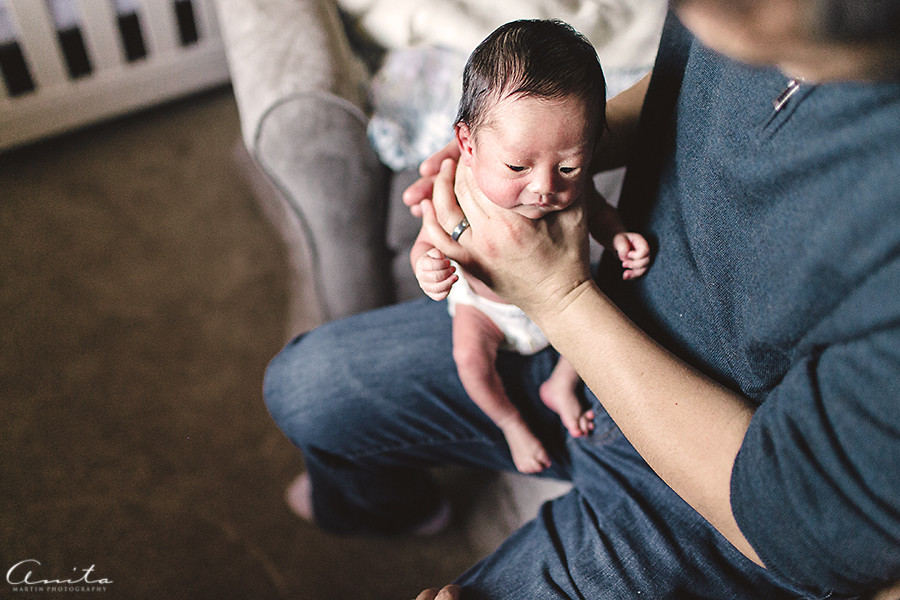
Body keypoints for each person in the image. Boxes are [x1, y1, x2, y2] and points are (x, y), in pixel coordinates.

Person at [263, 0, 900, 598]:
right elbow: (684, 85)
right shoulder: (735, 23)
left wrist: (559, 295)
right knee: (303, 386)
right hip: (607, 323)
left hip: (705, 500)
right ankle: (401, 507)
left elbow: (798, 520)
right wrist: (551, 150)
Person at [410, 19, 651, 474]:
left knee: (608, 320)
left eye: (568, 167)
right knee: (469, 361)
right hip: (486, 311)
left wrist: (619, 236)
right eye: (518, 166)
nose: (544, 187)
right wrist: (428, 267)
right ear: (467, 144)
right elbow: (427, 243)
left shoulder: (571, 192)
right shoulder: (457, 193)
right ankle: (510, 423)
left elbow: (600, 213)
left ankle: (560, 386)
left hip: (568, 305)